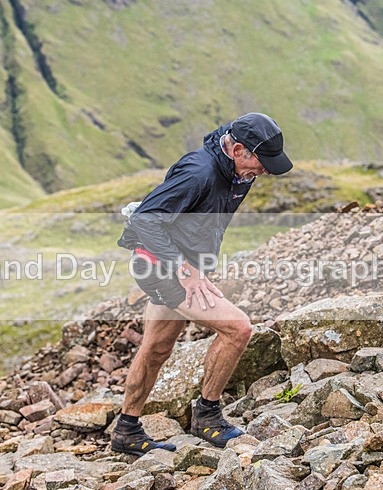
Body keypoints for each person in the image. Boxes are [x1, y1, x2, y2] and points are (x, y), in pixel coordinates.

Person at [112, 112, 292, 456]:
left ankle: (126, 430)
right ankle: (207, 416)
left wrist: (198, 264)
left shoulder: (238, 171)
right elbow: (145, 219)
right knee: (238, 329)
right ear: (237, 149)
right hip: (159, 266)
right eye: (261, 162)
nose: (265, 171)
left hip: (175, 264)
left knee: (157, 348)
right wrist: (185, 268)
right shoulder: (199, 173)